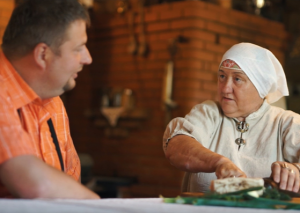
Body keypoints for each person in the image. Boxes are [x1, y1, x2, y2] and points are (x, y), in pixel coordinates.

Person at [163, 42, 300, 194]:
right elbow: (176, 146)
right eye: (222, 76)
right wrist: (219, 162)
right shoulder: (209, 113)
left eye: (237, 79)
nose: (225, 88)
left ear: (261, 86)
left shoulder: (287, 123)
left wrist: (296, 170)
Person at [0, 0, 99, 199]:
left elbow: (69, 184)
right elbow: (36, 185)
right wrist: (97, 205)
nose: (88, 58)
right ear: (42, 54)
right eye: (78, 48)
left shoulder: (53, 102)